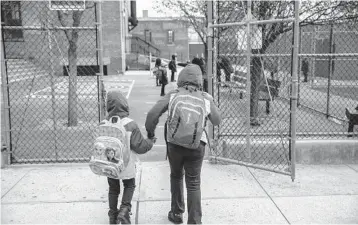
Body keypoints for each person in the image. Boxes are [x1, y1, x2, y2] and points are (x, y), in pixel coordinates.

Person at [145, 64, 221, 224]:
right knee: (194, 183)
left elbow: (152, 114)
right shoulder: (205, 97)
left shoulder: (174, 94)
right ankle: (194, 221)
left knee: (176, 176)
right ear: (199, 80)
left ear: (181, 79)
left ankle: (177, 213)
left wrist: (151, 134)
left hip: (175, 144)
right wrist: (211, 102)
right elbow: (216, 121)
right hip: (197, 145)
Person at [105, 90, 156, 224]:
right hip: (126, 164)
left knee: (113, 188)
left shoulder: (104, 123)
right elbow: (140, 147)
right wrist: (150, 141)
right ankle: (124, 209)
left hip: (110, 163)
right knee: (129, 185)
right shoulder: (130, 124)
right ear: (124, 104)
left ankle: (112, 215)